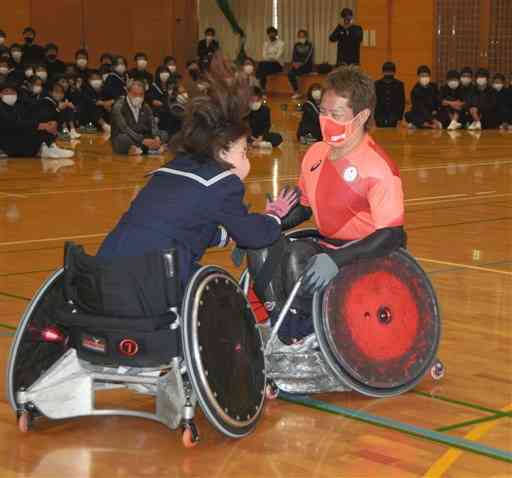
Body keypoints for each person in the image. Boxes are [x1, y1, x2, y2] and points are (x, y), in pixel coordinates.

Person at [94, 58, 289, 315]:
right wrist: (274, 217)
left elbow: (179, 224)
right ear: (222, 150)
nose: (247, 158)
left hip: (103, 271)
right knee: (222, 294)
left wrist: (224, 236)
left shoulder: (173, 168)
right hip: (151, 282)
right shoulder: (223, 183)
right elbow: (252, 235)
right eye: (244, 152)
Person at [247, 65, 406, 344]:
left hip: (367, 254)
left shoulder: (379, 167)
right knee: (261, 246)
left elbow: (393, 235)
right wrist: (266, 224)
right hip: (328, 244)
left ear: (361, 116)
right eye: (323, 111)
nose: (325, 120)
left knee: (298, 258)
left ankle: (306, 334)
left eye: (336, 115)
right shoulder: (315, 153)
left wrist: (338, 259)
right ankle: (281, 326)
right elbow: (305, 206)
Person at [0, 80, 73, 158]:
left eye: (13, 92)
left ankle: (47, 147)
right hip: (5, 142)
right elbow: (12, 124)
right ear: (0, 94)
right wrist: (40, 125)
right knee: (38, 127)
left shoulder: (17, 106)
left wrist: (47, 124)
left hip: (14, 137)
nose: (10, 94)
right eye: (6, 91)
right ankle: (44, 149)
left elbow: (26, 120)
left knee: (45, 126)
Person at [110, 80, 166, 155]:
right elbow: (124, 128)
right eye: (135, 94)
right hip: (127, 136)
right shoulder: (118, 106)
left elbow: (153, 124)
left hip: (142, 136)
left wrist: (156, 137)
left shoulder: (145, 106)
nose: (138, 97)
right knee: (123, 139)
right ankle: (147, 149)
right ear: (128, 93)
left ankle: (143, 149)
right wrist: (142, 140)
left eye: (141, 94)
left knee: (163, 134)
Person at [374, 61, 405, 128]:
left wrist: (400, 117)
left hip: (394, 115)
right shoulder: (377, 84)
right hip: (380, 116)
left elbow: (402, 101)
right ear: (383, 72)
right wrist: (374, 116)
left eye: (390, 71)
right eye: (386, 71)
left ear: (394, 72)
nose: (388, 73)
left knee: (393, 134)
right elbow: (374, 101)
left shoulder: (399, 84)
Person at [79, 70, 111, 134]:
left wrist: (108, 104)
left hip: (101, 118)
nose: (96, 81)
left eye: (98, 78)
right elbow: (92, 102)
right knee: (93, 106)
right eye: (93, 79)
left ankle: (109, 126)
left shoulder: (104, 90)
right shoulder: (85, 90)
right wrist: (103, 103)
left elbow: (111, 100)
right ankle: (104, 125)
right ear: (88, 80)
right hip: (88, 120)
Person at [256, 27, 285, 94]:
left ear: (276, 34)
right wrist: (270, 57)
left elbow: (277, 57)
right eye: (269, 33)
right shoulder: (266, 43)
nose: (271, 35)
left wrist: (269, 57)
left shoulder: (281, 43)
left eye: (273, 33)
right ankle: (262, 88)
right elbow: (263, 56)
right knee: (262, 64)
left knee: (263, 67)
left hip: (278, 65)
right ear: (268, 34)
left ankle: (261, 87)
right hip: (267, 64)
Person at [288, 29, 314, 99]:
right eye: (300, 36)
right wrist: (294, 63)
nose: (301, 38)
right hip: (297, 65)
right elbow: (294, 55)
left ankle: (301, 92)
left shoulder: (310, 45)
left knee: (298, 73)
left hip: (307, 65)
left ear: (306, 36)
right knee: (290, 73)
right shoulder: (296, 45)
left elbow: (308, 57)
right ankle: (296, 92)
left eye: (303, 36)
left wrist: (300, 64)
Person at [147, 65, 172, 131]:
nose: (165, 74)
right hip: (158, 112)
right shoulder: (153, 86)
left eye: (166, 72)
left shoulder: (172, 85)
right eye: (162, 72)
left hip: (171, 110)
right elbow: (153, 101)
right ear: (158, 74)